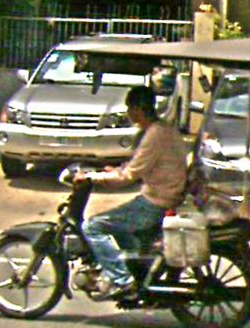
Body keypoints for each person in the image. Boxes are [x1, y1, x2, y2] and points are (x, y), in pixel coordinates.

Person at [74, 85, 188, 299]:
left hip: (156, 202)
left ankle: (122, 279)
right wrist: (113, 171)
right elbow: (139, 165)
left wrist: (91, 177)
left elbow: (128, 176)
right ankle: (136, 270)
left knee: (92, 227)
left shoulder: (155, 134)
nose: (128, 113)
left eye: (129, 108)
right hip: (165, 195)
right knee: (119, 226)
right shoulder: (163, 129)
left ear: (138, 109)